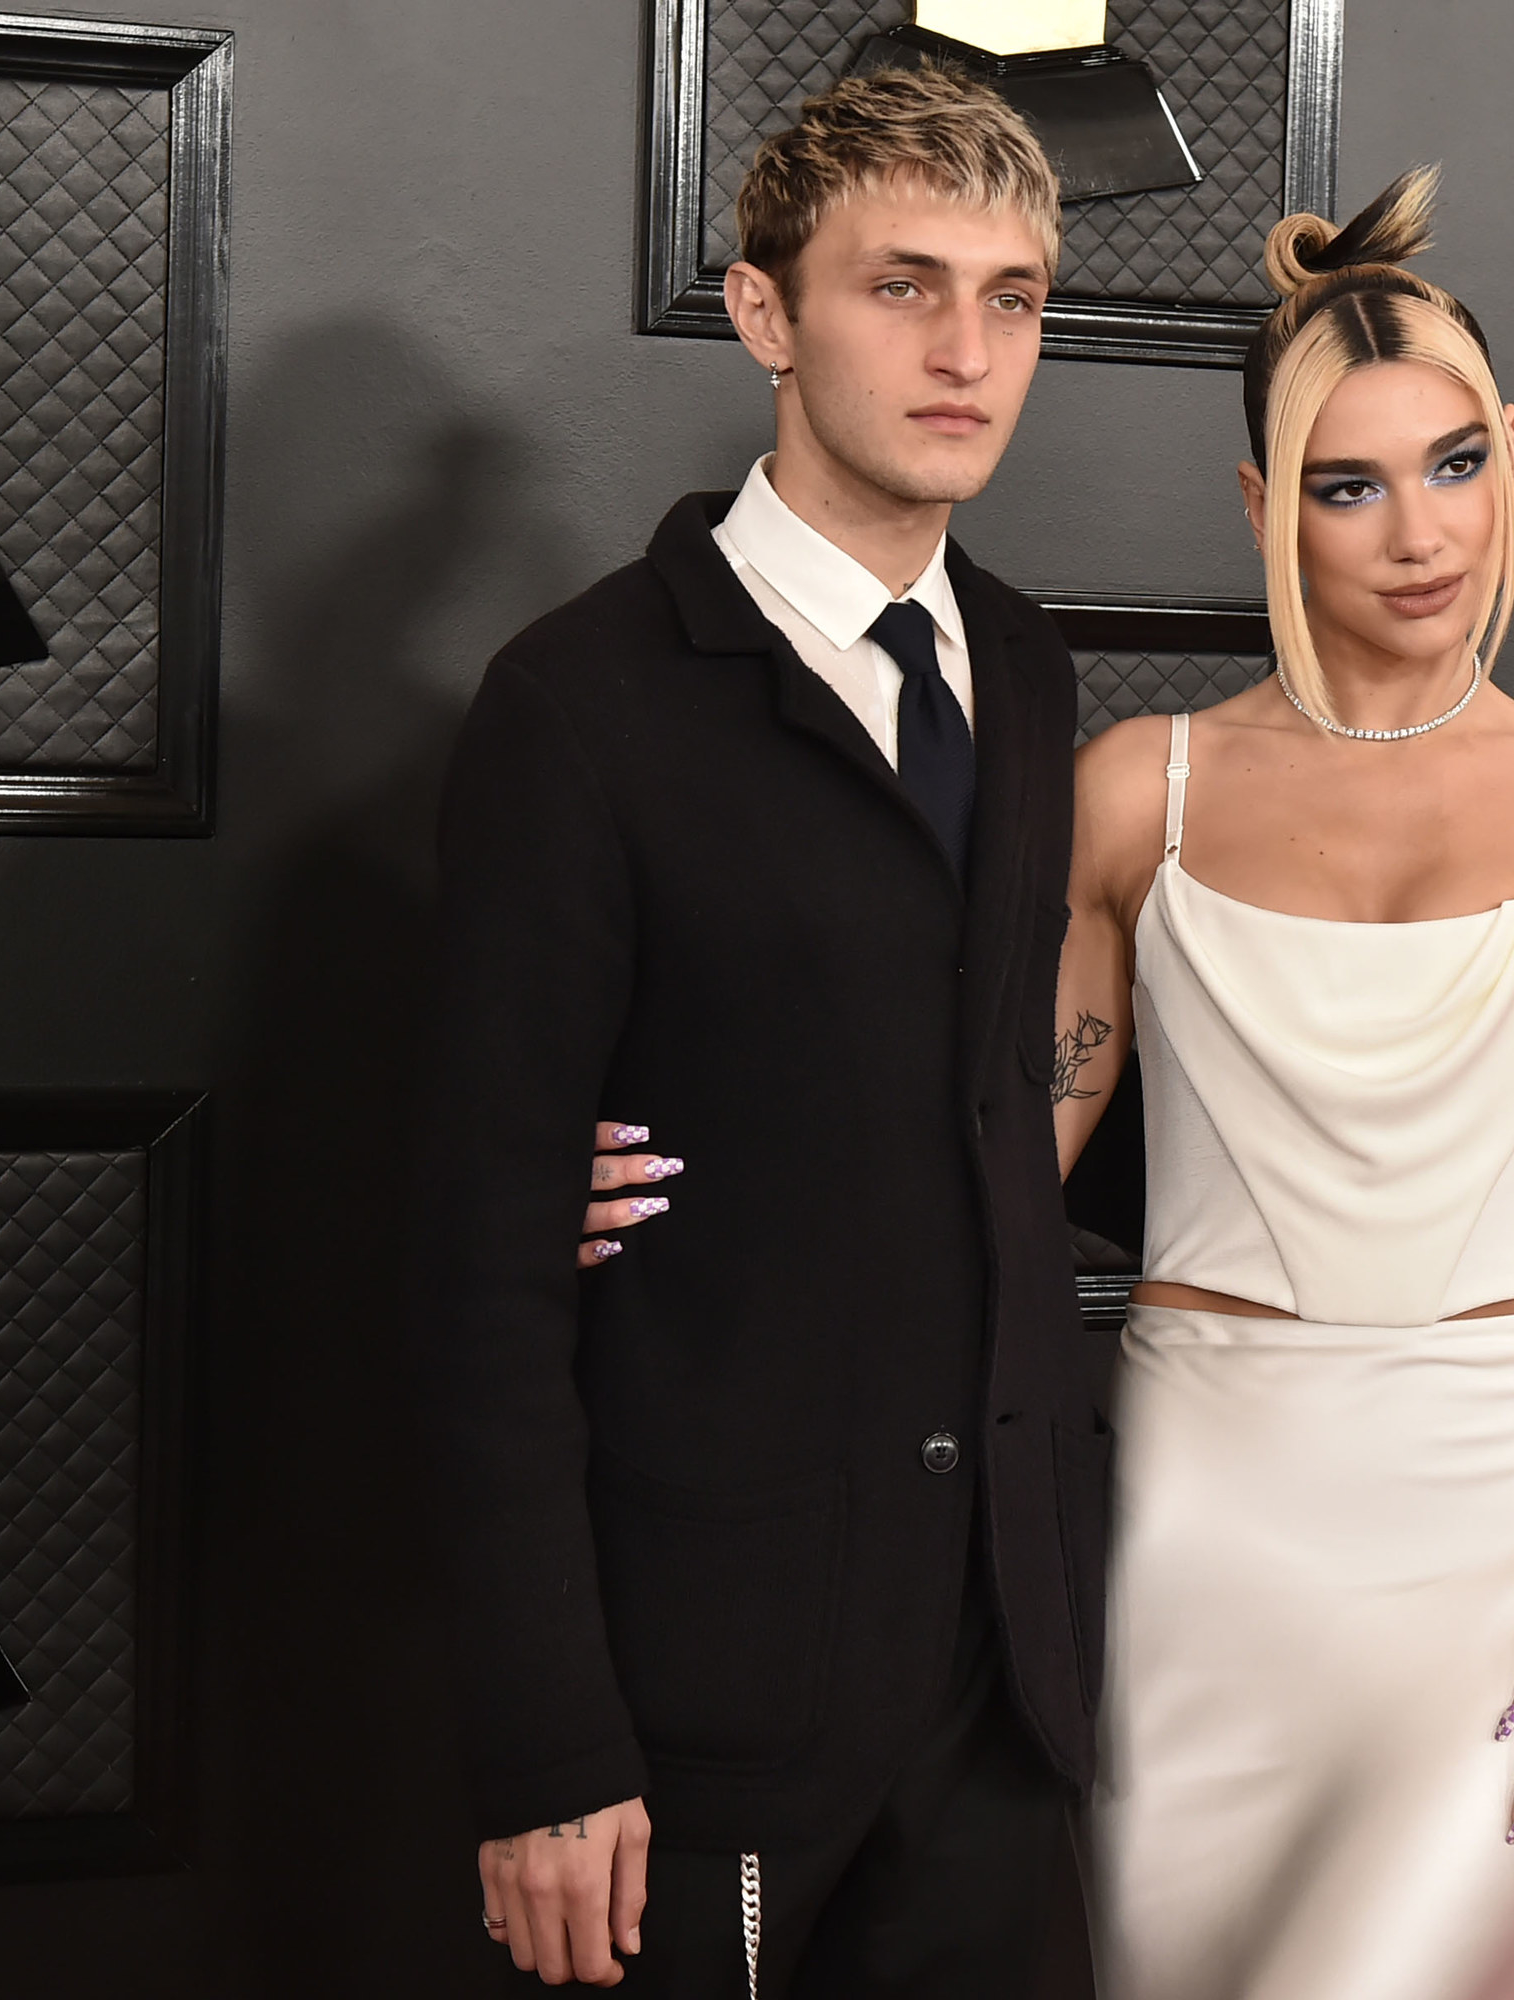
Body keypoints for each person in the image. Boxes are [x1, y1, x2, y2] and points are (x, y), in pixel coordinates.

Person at [412, 68, 1099, 1995]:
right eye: (903, 286)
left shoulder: (1030, 670)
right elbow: (480, 1282)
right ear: (764, 312)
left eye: (1014, 296)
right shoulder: (577, 708)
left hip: (997, 1673)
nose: (968, 350)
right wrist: (547, 1749)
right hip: (700, 1683)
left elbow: (990, 1107)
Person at [1050, 168, 1514, 2000]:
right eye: (1347, 487)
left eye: (1449, 464)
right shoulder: (1141, 794)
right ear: (1267, 506)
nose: (1415, 534)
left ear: (1510, 451)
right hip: (1212, 1522)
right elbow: (975, 1162)